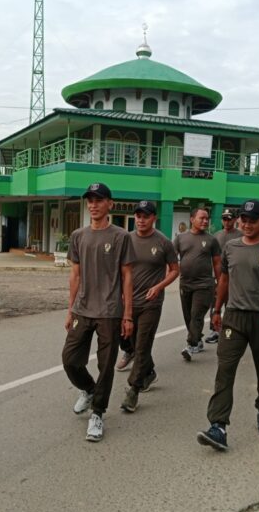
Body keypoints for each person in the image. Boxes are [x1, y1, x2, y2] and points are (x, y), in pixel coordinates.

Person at [197, 199, 259, 450]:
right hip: (234, 317)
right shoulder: (231, 247)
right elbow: (224, 281)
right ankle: (218, 425)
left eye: (253, 220)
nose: (247, 224)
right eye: (244, 220)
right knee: (225, 370)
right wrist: (216, 309)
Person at [62, 183, 134, 442]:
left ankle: (98, 413)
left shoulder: (120, 236)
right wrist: (70, 310)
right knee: (70, 359)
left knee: (106, 366)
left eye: (99, 200)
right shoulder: (78, 235)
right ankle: (89, 389)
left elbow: (127, 277)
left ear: (110, 204)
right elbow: (75, 275)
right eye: (90, 200)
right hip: (83, 309)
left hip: (109, 311)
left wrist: (127, 315)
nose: (93, 205)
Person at [117, 201, 179, 413]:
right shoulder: (126, 240)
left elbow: (174, 270)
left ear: (154, 218)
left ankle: (133, 391)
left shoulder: (163, 242)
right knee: (133, 343)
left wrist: (159, 286)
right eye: (138, 216)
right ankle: (149, 372)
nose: (141, 220)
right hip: (127, 303)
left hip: (151, 303)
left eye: (146, 216)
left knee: (143, 345)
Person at [173, 208, 222, 361]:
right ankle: (197, 340)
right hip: (185, 284)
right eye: (202, 218)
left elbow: (217, 263)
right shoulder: (180, 238)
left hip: (204, 284)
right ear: (192, 219)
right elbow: (171, 258)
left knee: (196, 315)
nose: (205, 221)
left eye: (207, 219)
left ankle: (191, 344)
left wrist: (220, 283)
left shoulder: (211, 240)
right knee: (188, 316)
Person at [206, 208, 243, 344]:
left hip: (235, 276)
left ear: (235, 220)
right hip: (218, 275)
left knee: (232, 304)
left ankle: (231, 329)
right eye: (224, 219)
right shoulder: (216, 235)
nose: (227, 222)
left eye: (229, 219)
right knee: (216, 302)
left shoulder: (240, 235)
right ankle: (215, 330)